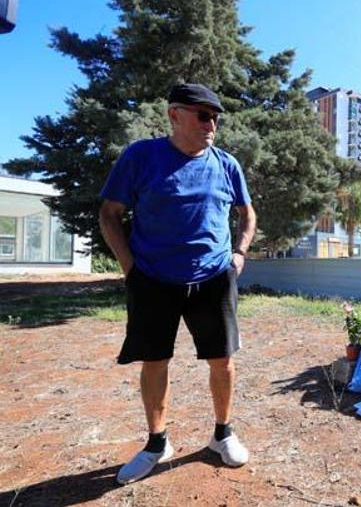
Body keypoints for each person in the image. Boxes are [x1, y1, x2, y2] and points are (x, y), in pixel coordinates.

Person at [99, 83, 257, 484]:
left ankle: (222, 434)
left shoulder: (226, 164)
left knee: (222, 359)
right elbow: (109, 214)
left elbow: (247, 214)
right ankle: (157, 442)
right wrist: (130, 268)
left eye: (215, 117)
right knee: (156, 360)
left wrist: (239, 253)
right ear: (174, 115)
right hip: (152, 278)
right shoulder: (141, 157)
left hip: (214, 278)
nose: (212, 124)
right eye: (203, 115)